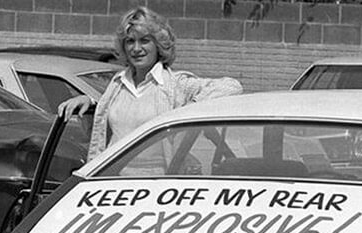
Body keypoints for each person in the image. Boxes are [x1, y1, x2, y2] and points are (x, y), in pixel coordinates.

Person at [58, 6, 243, 162]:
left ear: (158, 45)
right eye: (130, 41)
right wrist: (89, 101)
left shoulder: (175, 84)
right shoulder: (117, 84)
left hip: (157, 183)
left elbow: (232, 87)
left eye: (145, 41)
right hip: (114, 183)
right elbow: (105, 121)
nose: (136, 48)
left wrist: (190, 108)